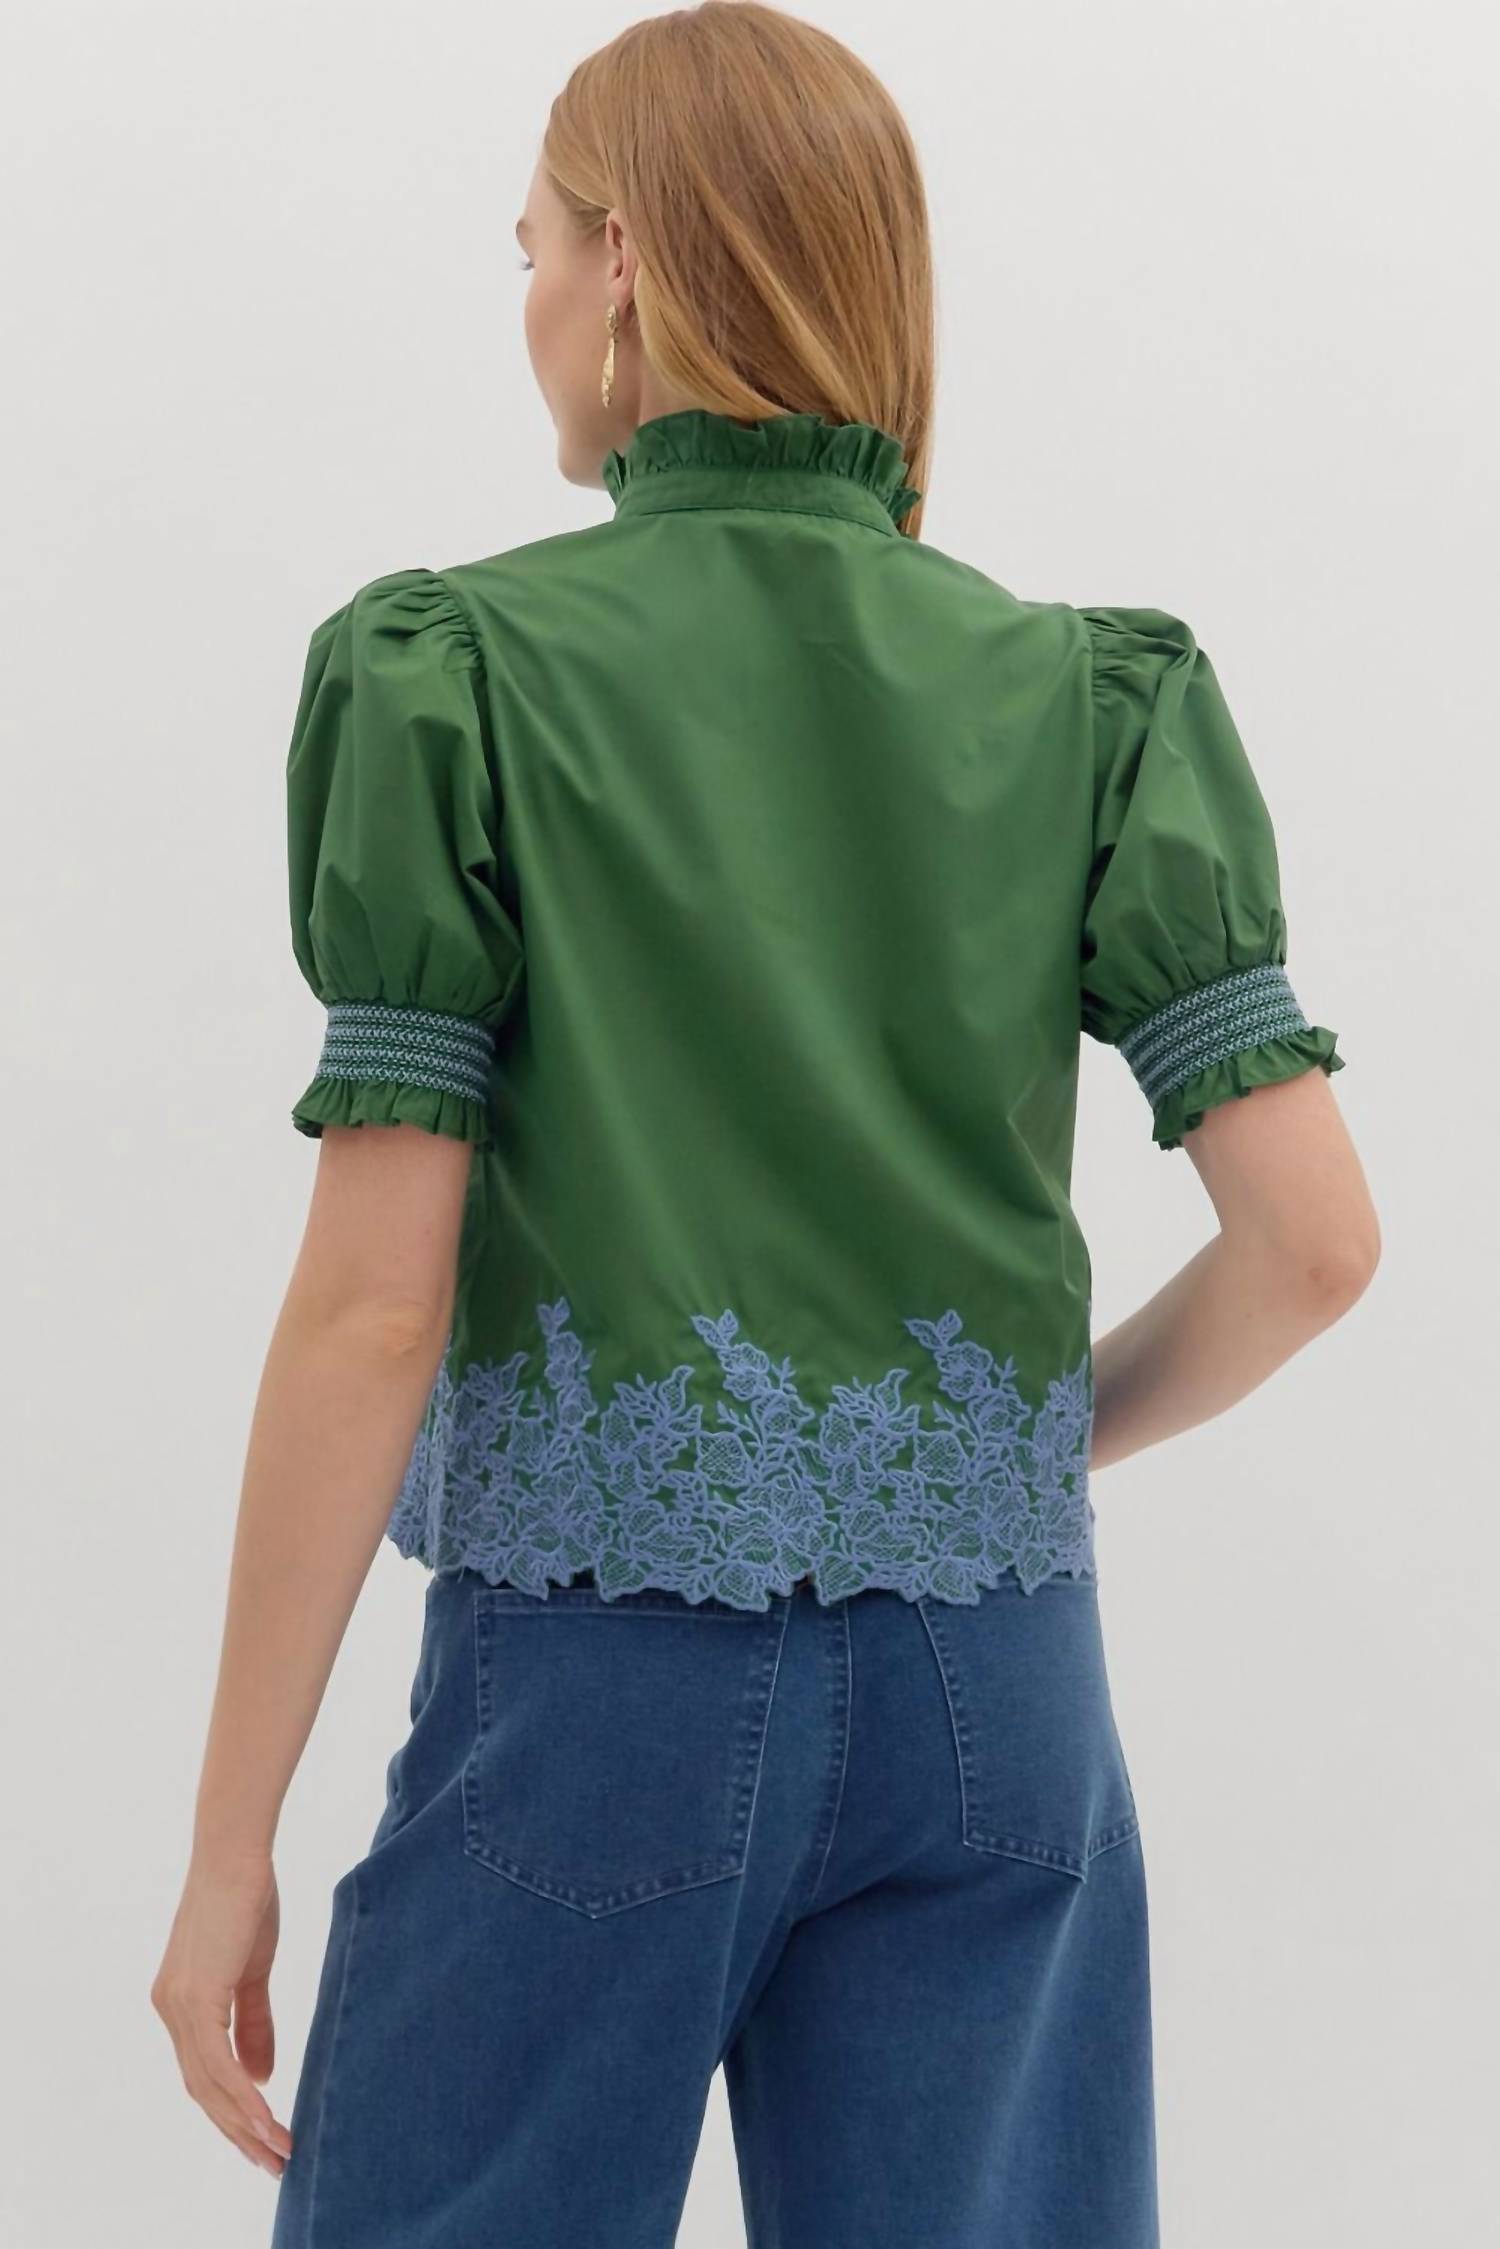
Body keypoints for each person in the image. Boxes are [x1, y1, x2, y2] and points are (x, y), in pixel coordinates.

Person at [150, 5, 1379, 2243]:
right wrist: (1003, 1450)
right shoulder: (1095, 697)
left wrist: (228, 1843)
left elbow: (372, 1311)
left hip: (598, 1690)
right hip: (998, 1693)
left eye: (534, 247)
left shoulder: (457, 676)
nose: (529, 301)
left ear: (626, 261)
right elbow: (1317, 1243)